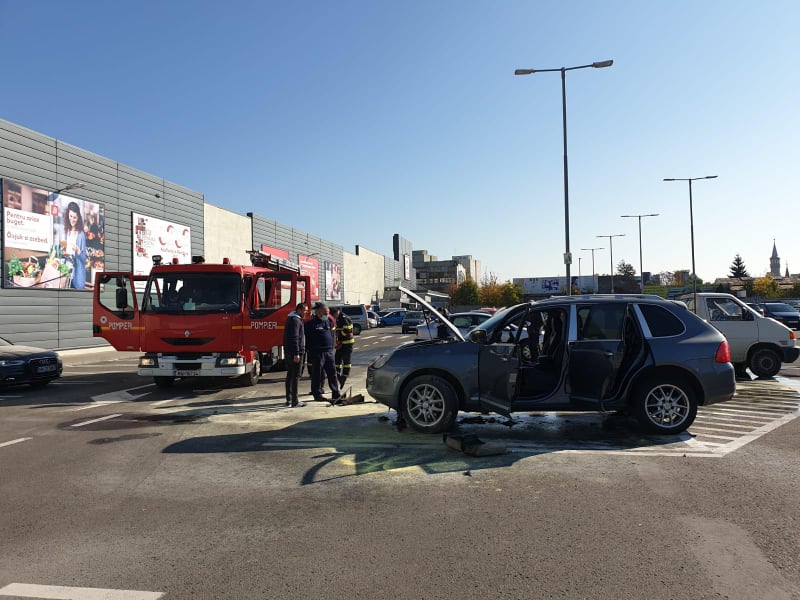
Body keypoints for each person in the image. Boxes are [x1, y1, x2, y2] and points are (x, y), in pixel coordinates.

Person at [304, 301, 341, 404]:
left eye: (327, 313)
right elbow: (306, 338)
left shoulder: (327, 322)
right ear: (319, 312)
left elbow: (331, 334)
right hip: (317, 352)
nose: (327, 315)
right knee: (317, 374)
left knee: (332, 373)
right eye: (325, 313)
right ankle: (317, 393)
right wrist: (310, 350)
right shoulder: (310, 324)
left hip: (328, 352)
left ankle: (335, 392)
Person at [283, 302, 308, 408]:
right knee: (295, 376)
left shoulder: (291, 319)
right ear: (299, 310)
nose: (306, 313)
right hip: (295, 353)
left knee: (290, 375)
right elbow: (295, 338)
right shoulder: (295, 321)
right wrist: (296, 353)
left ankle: (289, 399)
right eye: (305, 311)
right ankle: (295, 401)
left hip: (290, 351)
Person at [62, 201, 87, 289]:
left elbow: (84, 259)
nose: (72, 219)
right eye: (70, 216)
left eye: (75, 217)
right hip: (66, 272)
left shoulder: (81, 235)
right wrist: (63, 251)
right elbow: (64, 250)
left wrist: (78, 250)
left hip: (77, 275)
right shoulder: (66, 231)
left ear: (78, 217)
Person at [330, 306, 355, 394]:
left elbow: (348, 330)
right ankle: (337, 374)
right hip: (341, 343)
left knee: (346, 360)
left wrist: (340, 338)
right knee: (337, 359)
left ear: (337, 312)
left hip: (347, 343)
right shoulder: (338, 319)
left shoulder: (344, 318)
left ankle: (344, 375)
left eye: (334, 315)